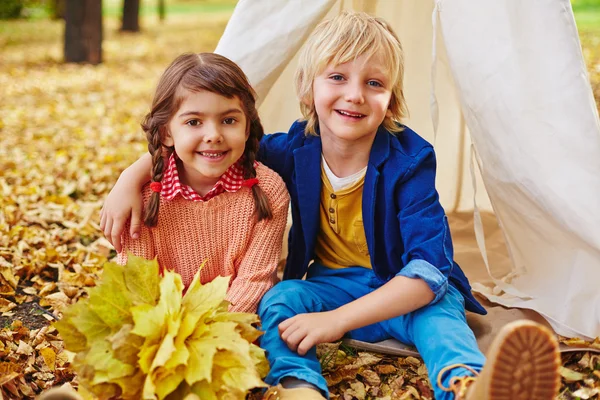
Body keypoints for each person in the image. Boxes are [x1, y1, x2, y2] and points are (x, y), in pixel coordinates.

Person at [100, 12, 560, 400]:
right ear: (309, 91)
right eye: (337, 77)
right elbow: (212, 147)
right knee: (280, 299)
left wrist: (336, 322)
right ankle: (301, 386)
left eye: (374, 82)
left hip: (402, 288)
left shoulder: (410, 159)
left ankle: (466, 383)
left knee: (440, 317)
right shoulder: (291, 150)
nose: (355, 94)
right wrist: (133, 175)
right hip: (331, 284)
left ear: (391, 101)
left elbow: (428, 273)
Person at [102, 52, 289, 314]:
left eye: (229, 120)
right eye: (193, 122)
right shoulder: (143, 198)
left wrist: (209, 330)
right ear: (167, 132)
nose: (213, 135)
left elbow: (254, 280)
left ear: (247, 128)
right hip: (160, 324)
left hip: (232, 323)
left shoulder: (267, 192)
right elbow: (136, 283)